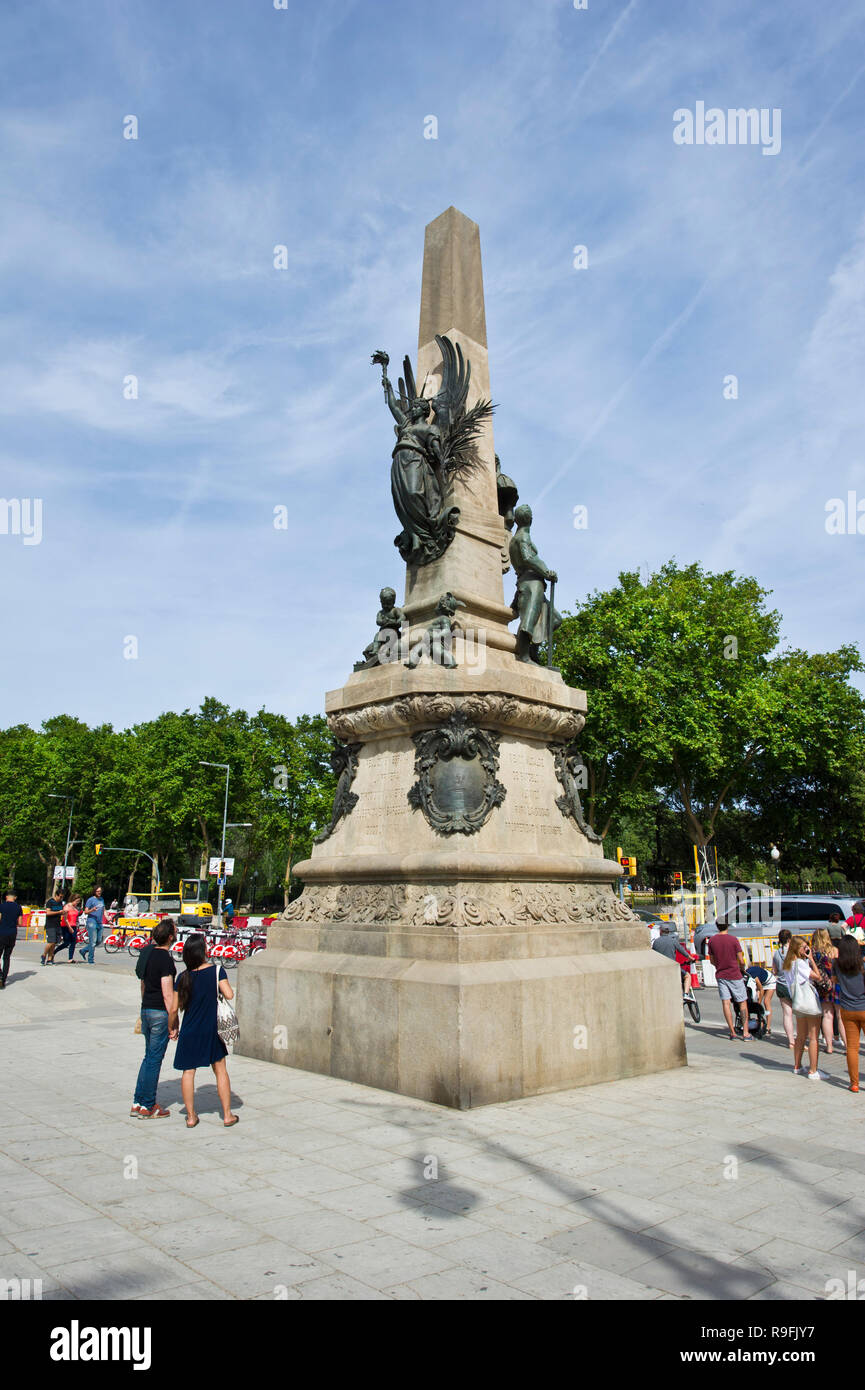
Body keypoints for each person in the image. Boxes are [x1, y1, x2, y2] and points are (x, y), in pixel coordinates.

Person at [172, 933, 238, 1128]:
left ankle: (191, 1116)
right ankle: (227, 1115)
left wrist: (172, 1027)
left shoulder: (183, 977)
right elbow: (229, 993)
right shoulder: (217, 971)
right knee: (220, 1070)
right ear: (203, 951)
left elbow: (174, 1008)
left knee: (188, 1072)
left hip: (190, 1029)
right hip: (211, 1029)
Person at [131, 919, 178, 1118]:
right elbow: (168, 994)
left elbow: (143, 984)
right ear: (170, 937)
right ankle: (148, 1105)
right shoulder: (166, 960)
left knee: (148, 1057)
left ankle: (138, 1101)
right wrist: (173, 1022)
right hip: (160, 1012)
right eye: (174, 932)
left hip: (147, 1009)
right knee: (154, 1060)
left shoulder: (148, 954)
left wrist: (145, 1005)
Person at [782, 935, 825, 1080]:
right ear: (797, 948)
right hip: (809, 1003)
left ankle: (797, 1066)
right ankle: (813, 1071)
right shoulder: (800, 964)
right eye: (804, 947)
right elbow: (817, 977)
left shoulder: (788, 964)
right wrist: (811, 959)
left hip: (798, 1003)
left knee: (800, 1036)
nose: (806, 949)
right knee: (813, 1037)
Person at [707, 918, 752, 1040]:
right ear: (727, 925)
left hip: (721, 975)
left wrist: (719, 965)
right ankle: (745, 1032)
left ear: (717, 926)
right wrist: (742, 968)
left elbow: (711, 960)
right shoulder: (733, 940)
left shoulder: (712, 941)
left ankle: (732, 1031)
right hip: (734, 974)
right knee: (742, 1002)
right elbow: (741, 960)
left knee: (726, 1003)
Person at [834, 935, 865, 1092]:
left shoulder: (837, 965)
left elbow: (834, 981)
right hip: (864, 1007)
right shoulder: (862, 964)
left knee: (852, 1047)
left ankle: (854, 1084)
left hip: (847, 1008)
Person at [810, 927, 838, 1054]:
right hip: (836, 984)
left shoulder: (813, 952)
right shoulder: (834, 951)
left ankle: (829, 1046)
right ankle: (849, 1046)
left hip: (823, 986)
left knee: (827, 1015)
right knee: (840, 1016)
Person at [772, 929, 795, 1049]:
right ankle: (801, 1040)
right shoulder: (793, 952)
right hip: (793, 985)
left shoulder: (776, 953)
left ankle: (791, 1041)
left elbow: (774, 971)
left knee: (787, 1014)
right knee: (801, 1015)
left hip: (780, 984)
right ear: (790, 939)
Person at [0, 889, 23, 989]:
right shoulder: (18, 907)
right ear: (15, 897)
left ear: (6, 897)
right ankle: (3, 980)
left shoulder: (1, 906)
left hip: (1, 933)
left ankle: (0, 974)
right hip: (12, 934)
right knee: (7, 957)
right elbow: (20, 923)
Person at [41, 888, 65, 965]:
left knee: (54, 942)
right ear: (56, 895)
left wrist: (62, 913)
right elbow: (48, 913)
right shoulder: (50, 902)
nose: (61, 898)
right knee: (51, 941)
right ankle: (44, 954)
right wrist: (58, 912)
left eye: (62, 897)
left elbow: (60, 912)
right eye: (60, 897)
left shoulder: (60, 903)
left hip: (57, 924)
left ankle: (50, 958)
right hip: (50, 924)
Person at [55, 894, 81, 962]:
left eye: (78, 902)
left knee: (73, 941)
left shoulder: (75, 908)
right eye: (76, 901)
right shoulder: (67, 907)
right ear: (73, 900)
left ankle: (70, 958)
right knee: (66, 942)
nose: (77, 903)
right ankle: (54, 952)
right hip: (66, 926)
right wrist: (69, 927)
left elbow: (76, 916)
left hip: (74, 925)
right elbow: (65, 919)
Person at [83, 885, 105, 963]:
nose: (99, 893)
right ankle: (90, 959)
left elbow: (104, 910)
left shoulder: (102, 899)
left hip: (99, 922)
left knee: (99, 940)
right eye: (97, 891)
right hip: (92, 921)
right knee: (93, 941)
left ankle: (84, 950)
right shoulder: (90, 900)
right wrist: (92, 909)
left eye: (100, 891)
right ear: (94, 891)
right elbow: (86, 911)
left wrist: (108, 919)